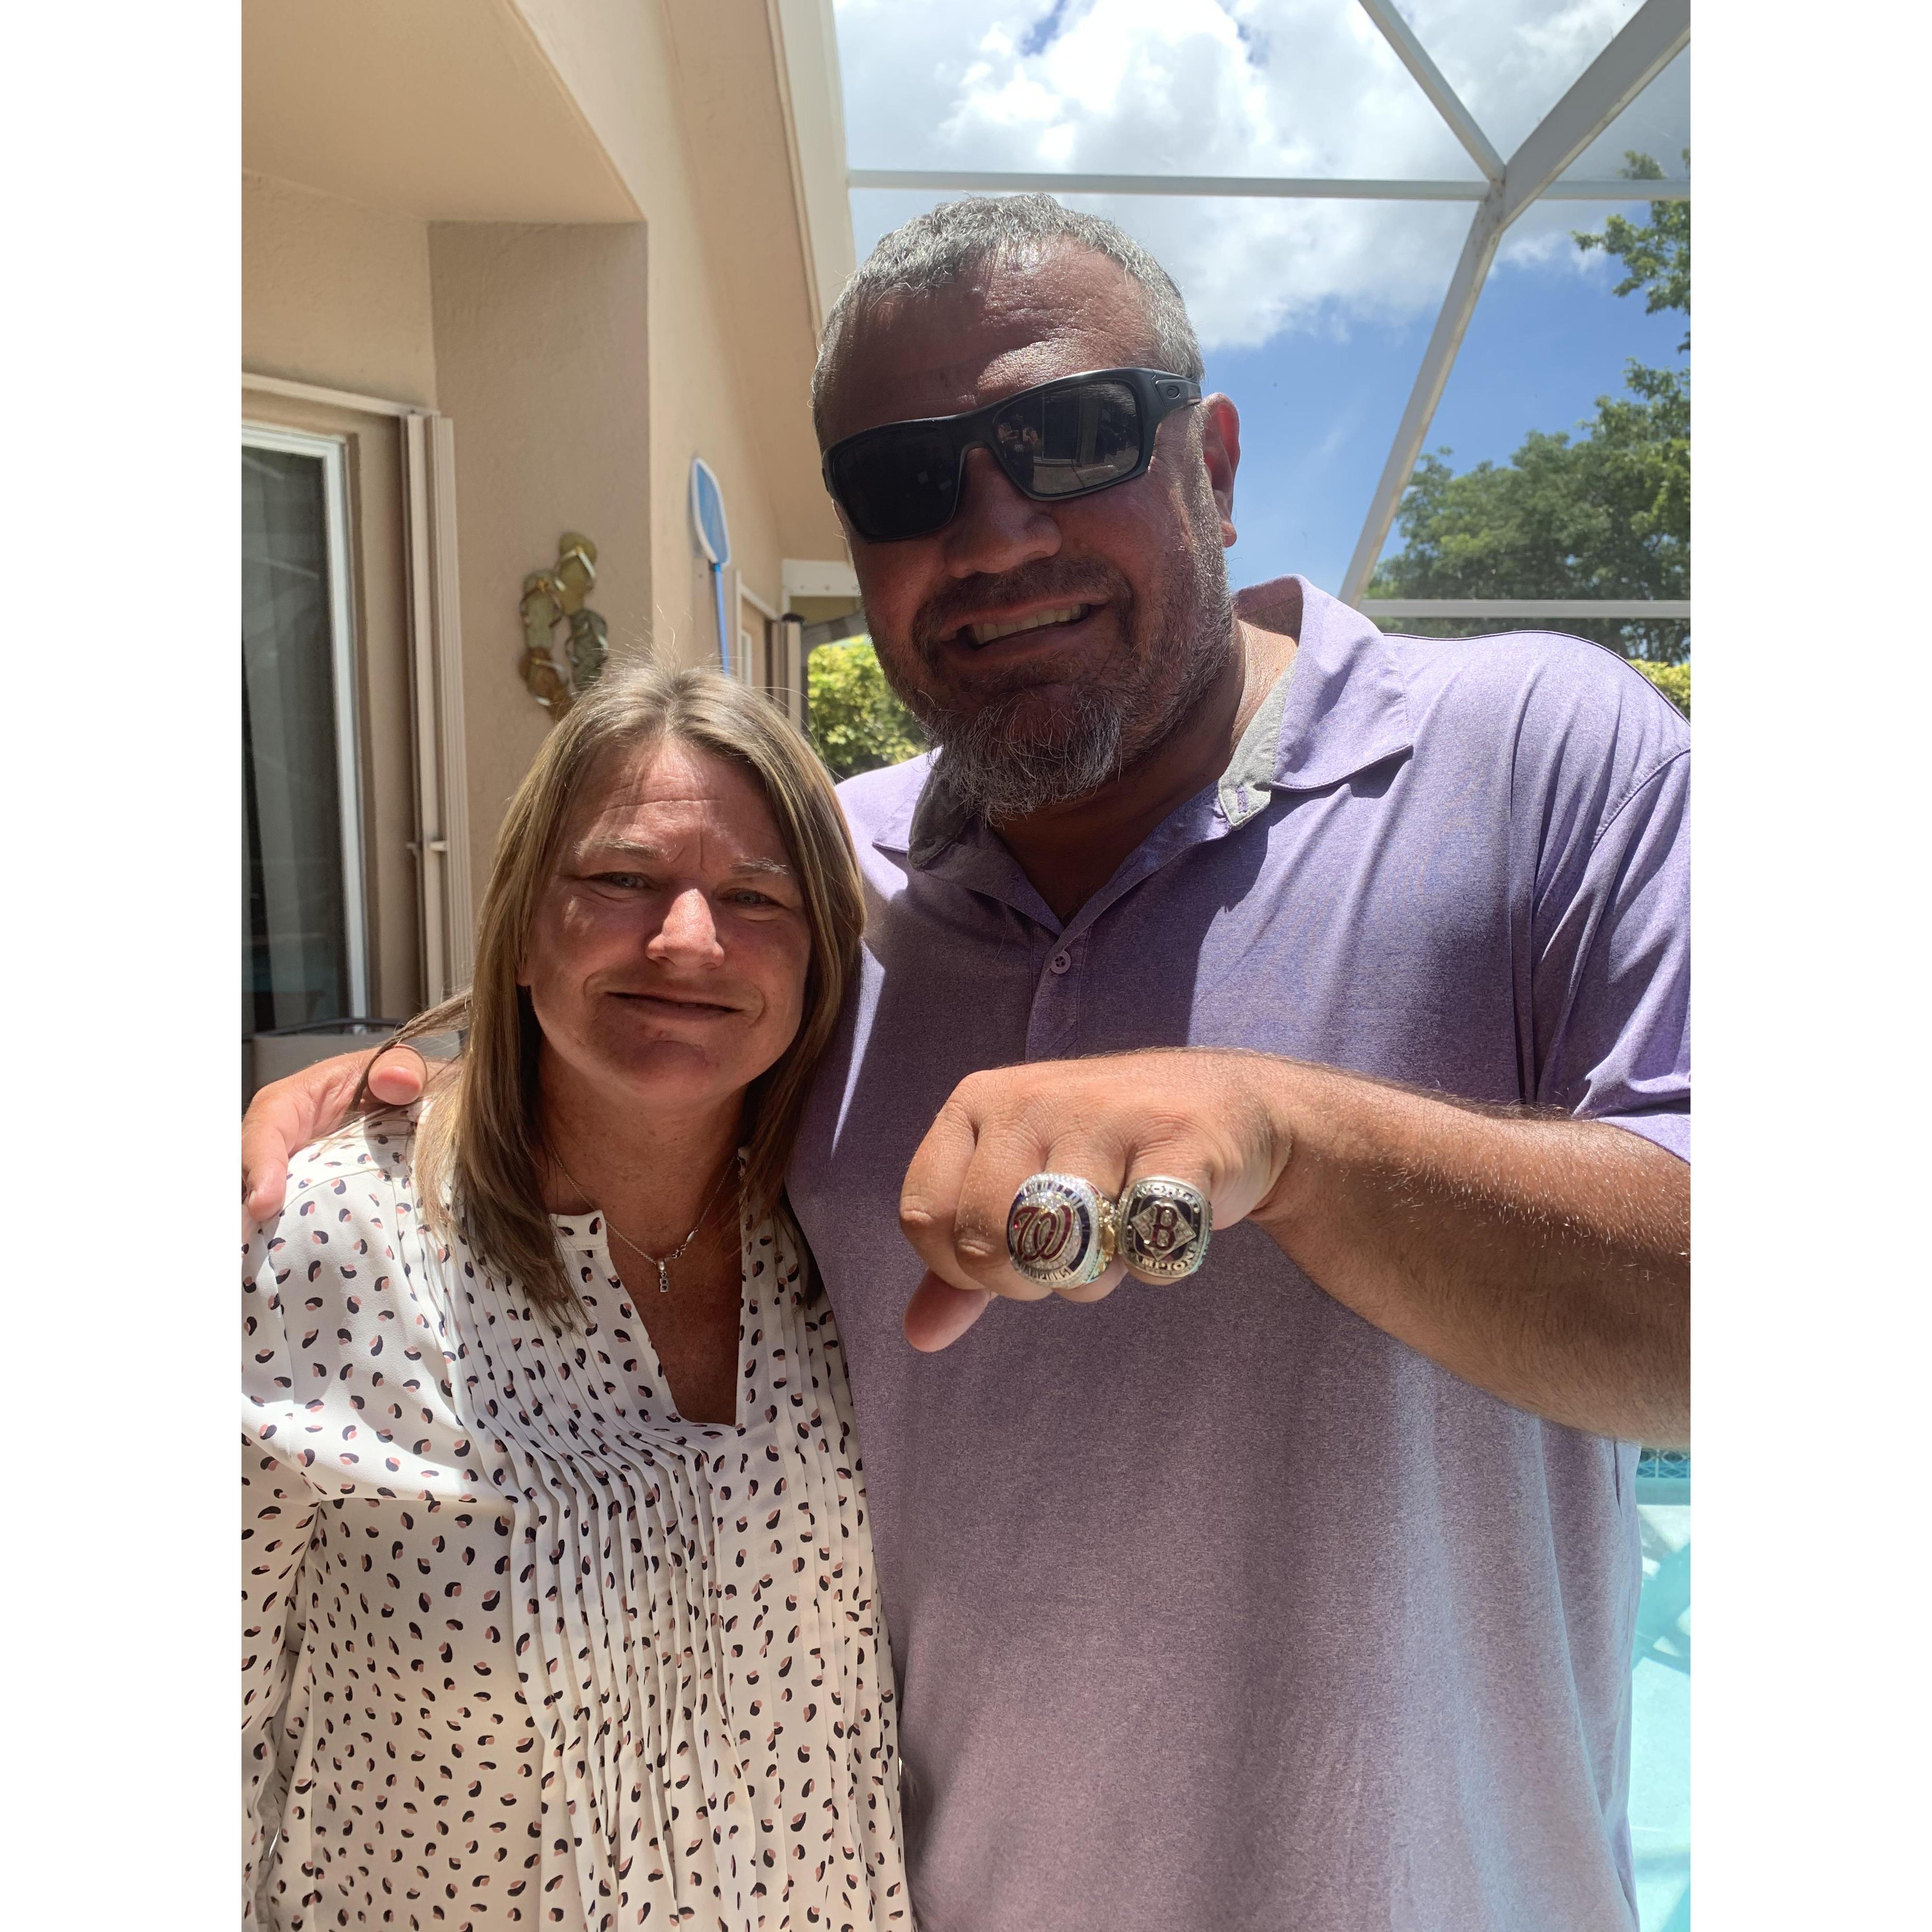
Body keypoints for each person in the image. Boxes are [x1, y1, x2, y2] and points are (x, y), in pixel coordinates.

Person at [245, 196, 1689, 1931]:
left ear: (1211, 459)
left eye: (1073, 436)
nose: (995, 531)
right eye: (908, 481)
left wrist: (1281, 1134)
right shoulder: (822, 895)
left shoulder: (1539, 757)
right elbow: (593, 1021)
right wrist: (356, 1097)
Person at [242, 665, 909, 1930]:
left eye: (757, 897)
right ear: (524, 915)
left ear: (824, 951)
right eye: (621, 881)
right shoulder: (319, 1242)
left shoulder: (851, 1234)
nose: (689, 942)